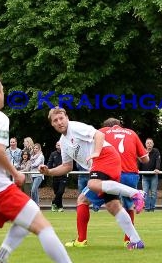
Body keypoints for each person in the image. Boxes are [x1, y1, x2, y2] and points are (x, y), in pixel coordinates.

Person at [0, 69, 104, 263]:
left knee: (27, 219)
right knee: (43, 226)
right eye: (3, 89)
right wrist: (15, 173)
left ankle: (1, 257)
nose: (4, 93)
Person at [39, 107, 146, 250]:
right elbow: (67, 166)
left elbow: (99, 135)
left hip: (105, 156)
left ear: (67, 118)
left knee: (92, 184)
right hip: (103, 161)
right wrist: (49, 172)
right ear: (52, 124)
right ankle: (136, 241)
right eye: (55, 120)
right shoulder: (63, 141)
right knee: (111, 205)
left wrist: (96, 152)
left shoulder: (75, 127)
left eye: (61, 118)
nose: (59, 122)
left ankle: (136, 193)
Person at [100, 118, 149, 244]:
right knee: (129, 205)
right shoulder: (132, 133)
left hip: (111, 173)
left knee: (85, 199)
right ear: (120, 125)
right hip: (130, 174)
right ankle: (129, 239)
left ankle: (81, 239)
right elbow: (145, 159)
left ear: (107, 127)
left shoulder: (103, 132)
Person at [138, 138, 161, 212]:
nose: (149, 144)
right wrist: (137, 169)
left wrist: (157, 168)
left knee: (153, 193)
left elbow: (158, 160)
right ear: (145, 144)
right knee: (145, 193)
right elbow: (139, 161)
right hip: (144, 176)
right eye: (148, 143)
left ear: (153, 144)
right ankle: (147, 208)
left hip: (154, 175)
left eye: (150, 143)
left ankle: (152, 208)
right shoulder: (142, 151)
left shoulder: (156, 151)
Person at [47, 142, 67, 212]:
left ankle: (53, 203)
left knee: (60, 191)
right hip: (55, 176)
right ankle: (60, 207)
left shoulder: (65, 153)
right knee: (57, 192)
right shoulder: (53, 154)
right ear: (56, 146)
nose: (59, 146)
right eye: (58, 145)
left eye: (61, 145)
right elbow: (49, 163)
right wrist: (48, 170)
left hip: (63, 175)